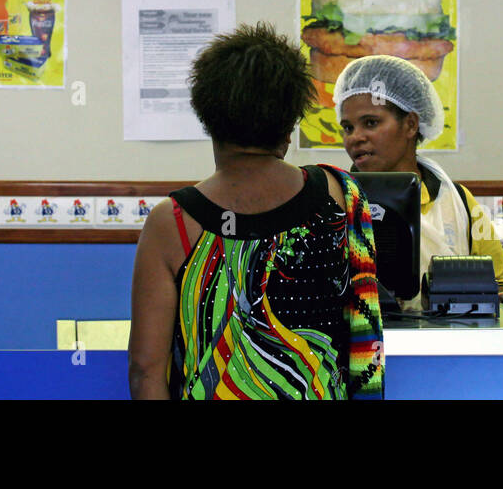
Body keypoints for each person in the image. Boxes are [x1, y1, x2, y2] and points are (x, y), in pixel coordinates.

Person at [127, 23, 384, 400]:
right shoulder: (342, 194)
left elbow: (144, 371)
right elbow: (364, 340)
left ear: (207, 117)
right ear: (290, 124)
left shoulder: (173, 222)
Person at [333, 55, 503, 297]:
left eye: (371, 123)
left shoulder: (458, 202)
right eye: (348, 127)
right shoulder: (335, 201)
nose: (355, 137)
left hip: (446, 334)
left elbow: (498, 286)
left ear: (410, 124)